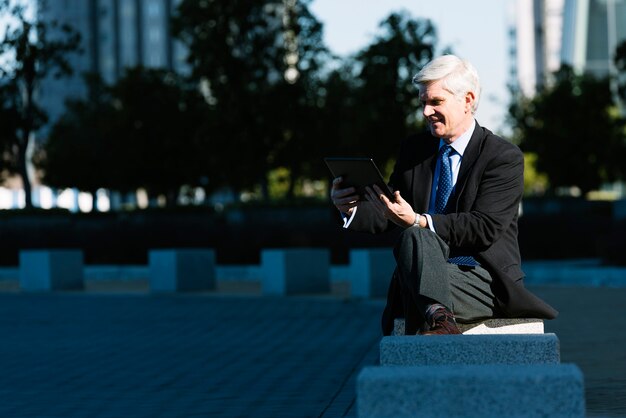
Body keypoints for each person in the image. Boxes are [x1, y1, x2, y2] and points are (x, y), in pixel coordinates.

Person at [330, 54, 557, 335]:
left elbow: (484, 227)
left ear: (468, 100)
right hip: (427, 273)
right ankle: (439, 316)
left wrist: (421, 220)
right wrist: (350, 208)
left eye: (435, 102)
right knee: (414, 241)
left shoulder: (503, 156)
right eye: (423, 102)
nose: (426, 111)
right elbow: (389, 210)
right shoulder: (415, 150)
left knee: (414, 237)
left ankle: (435, 317)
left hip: (481, 278)